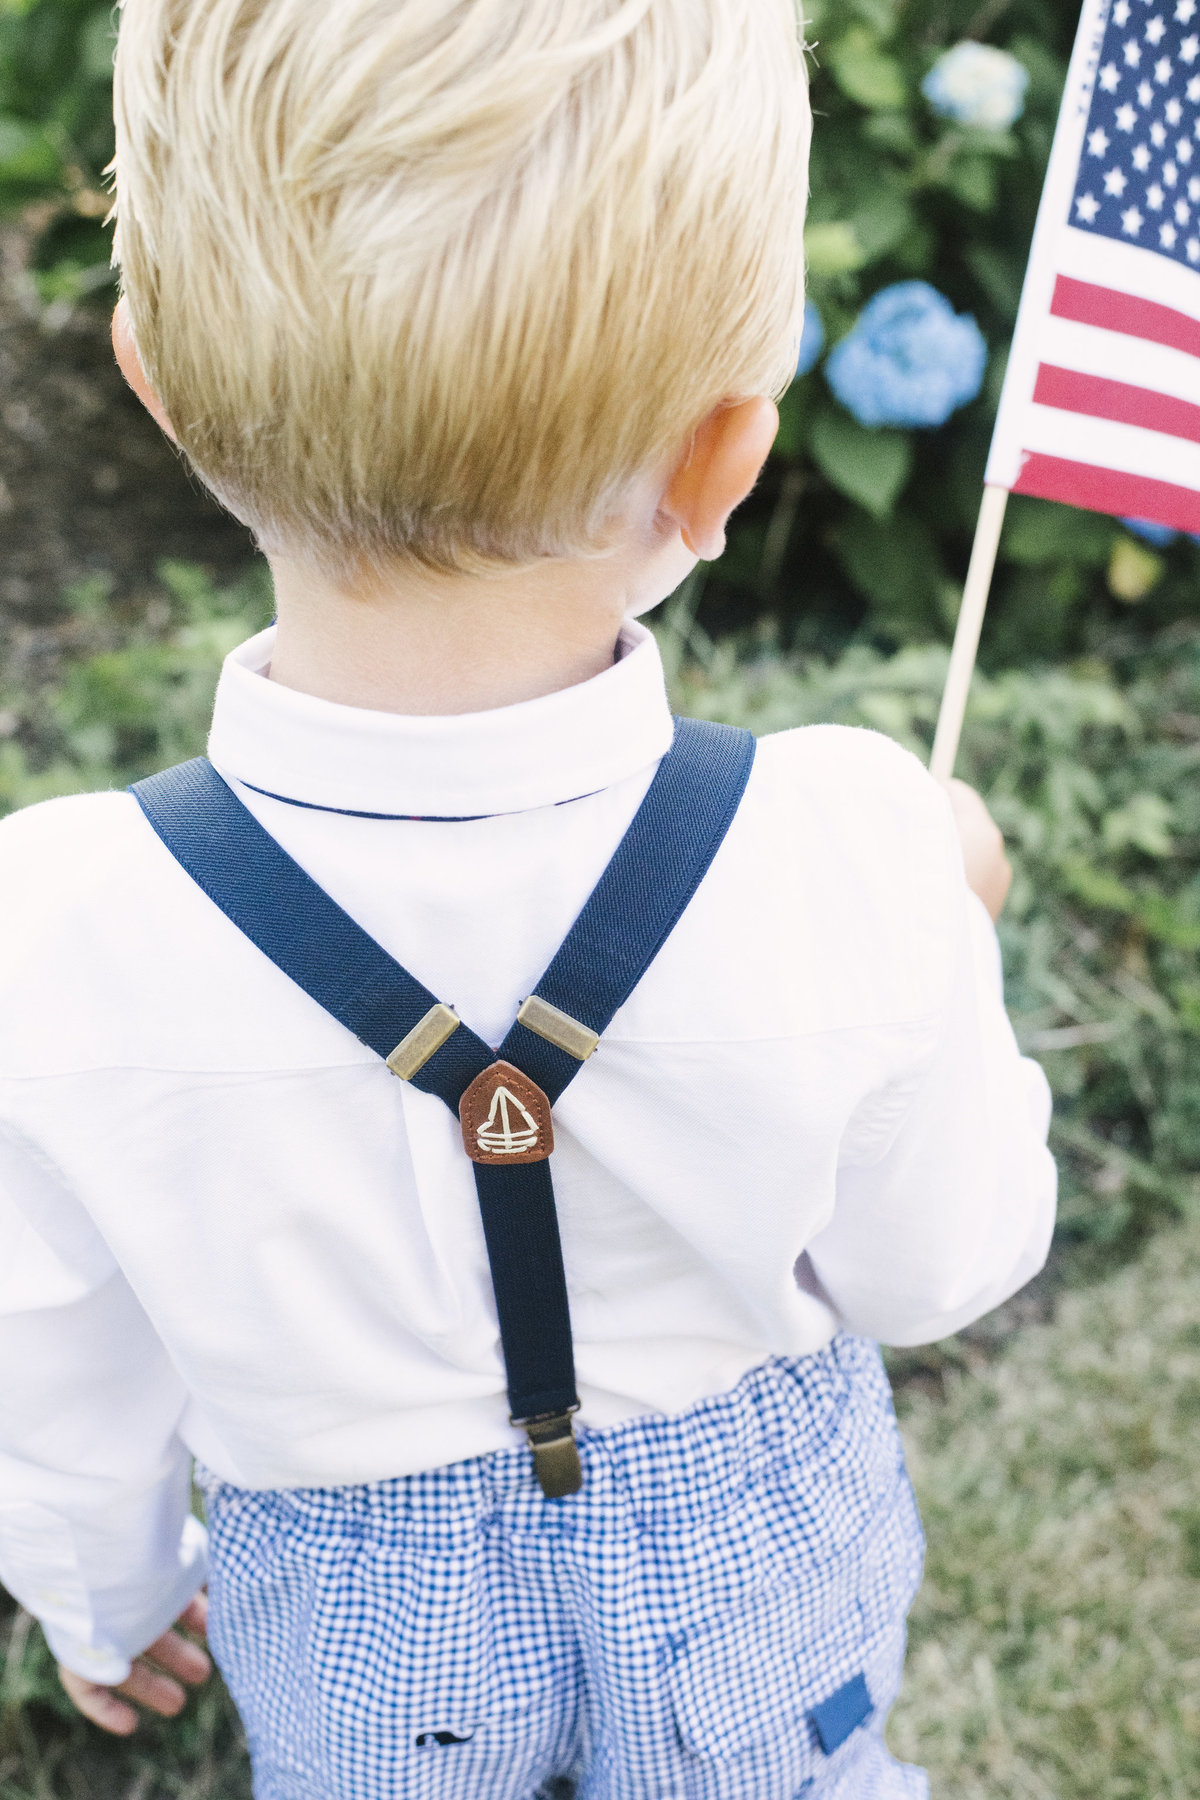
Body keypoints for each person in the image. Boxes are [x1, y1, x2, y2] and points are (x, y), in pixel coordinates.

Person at [0, 2, 1055, 1795]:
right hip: (760, 1626)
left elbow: (45, 1373)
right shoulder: (851, 841)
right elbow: (938, 1265)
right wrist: (949, 925)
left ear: (154, 388)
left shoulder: (52, 923)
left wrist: (105, 1605)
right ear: (726, 461)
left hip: (362, 1670)